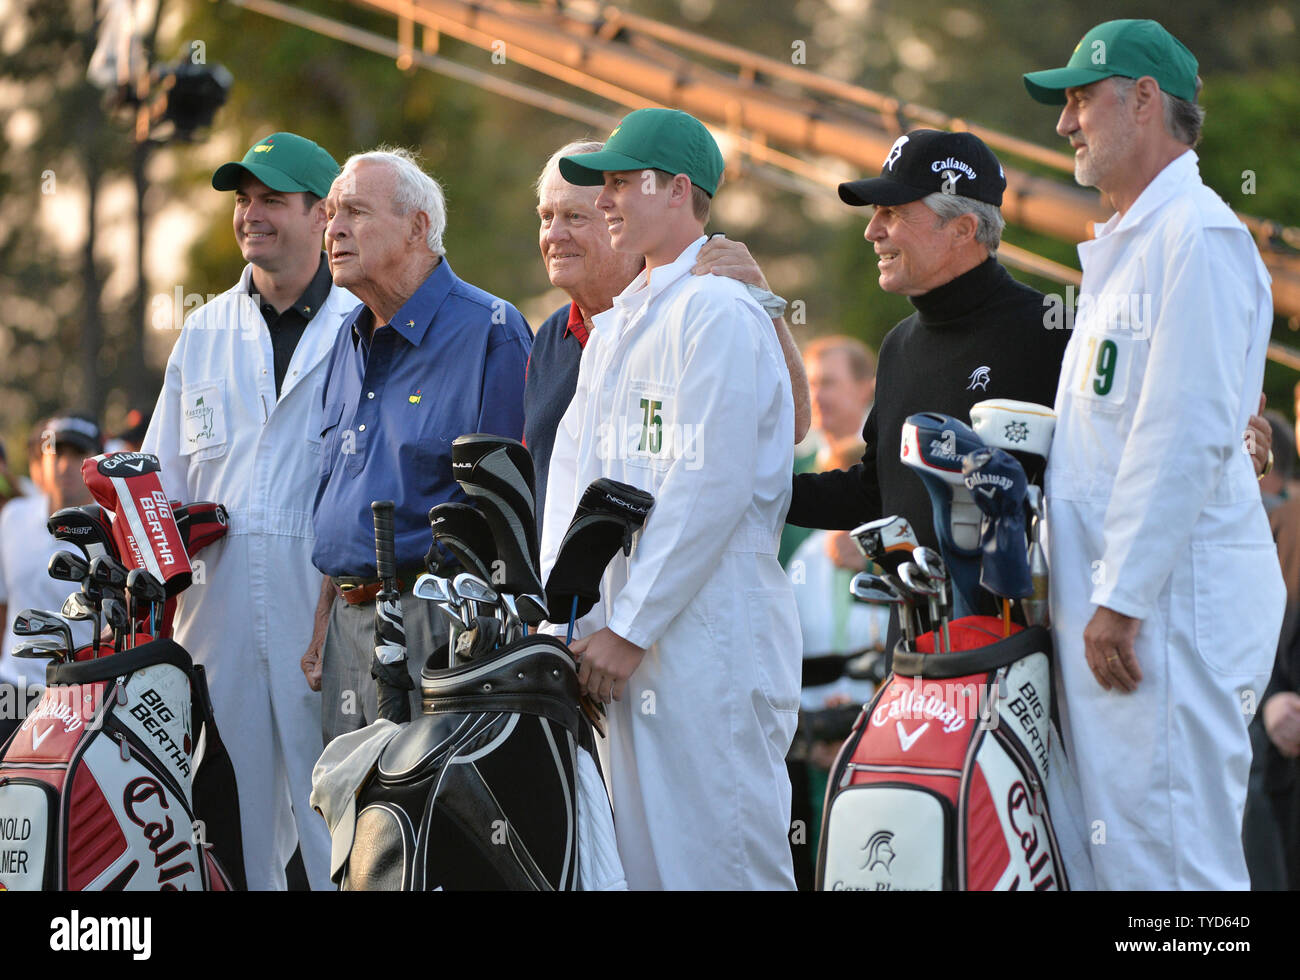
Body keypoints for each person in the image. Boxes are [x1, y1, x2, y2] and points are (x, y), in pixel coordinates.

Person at [1024, 18, 1285, 889]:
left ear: (1143, 100)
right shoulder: (1141, 246)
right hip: (1128, 619)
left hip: (1159, 619)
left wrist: (1121, 597)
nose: (1066, 125)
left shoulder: (1197, 241)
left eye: (1080, 99)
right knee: (1128, 862)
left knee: (1175, 869)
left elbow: (1179, 432)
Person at [539, 108, 800, 889]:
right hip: (622, 647)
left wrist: (629, 626)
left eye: (623, 182)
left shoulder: (718, 312)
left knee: (721, 860)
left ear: (679, 189)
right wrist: (565, 617)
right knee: (641, 870)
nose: (607, 200)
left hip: (707, 639)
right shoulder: (622, 325)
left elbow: (709, 487)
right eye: (604, 185)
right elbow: (574, 488)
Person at [141, 131, 350, 891]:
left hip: (322, 602)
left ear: (322, 213)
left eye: (272, 200)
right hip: (215, 608)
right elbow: (158, 477)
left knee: (337, 818)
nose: (251, 215)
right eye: (243, 200)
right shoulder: (202, 331)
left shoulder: (364, 323)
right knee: (228, 829)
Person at [306, 147, 530, 742]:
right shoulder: (345, 343)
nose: (334, 229)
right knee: (348, 824)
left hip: (440, 624)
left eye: (354, 211)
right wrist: (327, 614)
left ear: (418, 227)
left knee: (431, 827)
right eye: (330, 214)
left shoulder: (492, 331)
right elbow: (345, 494)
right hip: (348, 629)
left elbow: (509, 513)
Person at [527, 138, 810, 527]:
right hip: (566, 584)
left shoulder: (695, 317)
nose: (554, 235)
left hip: (658, 580)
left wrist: (767, 306)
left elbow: (791, 425)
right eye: (546, 217)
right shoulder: (549, 336)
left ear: (616, 220)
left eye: (575, 217)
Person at [0, 416, 101, 744]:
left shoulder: (113, 531)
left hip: (79, 695)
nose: (66, 465)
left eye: (78, 454)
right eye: (57, 453)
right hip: (12, 690)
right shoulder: (12, 518)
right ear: (41, 462)